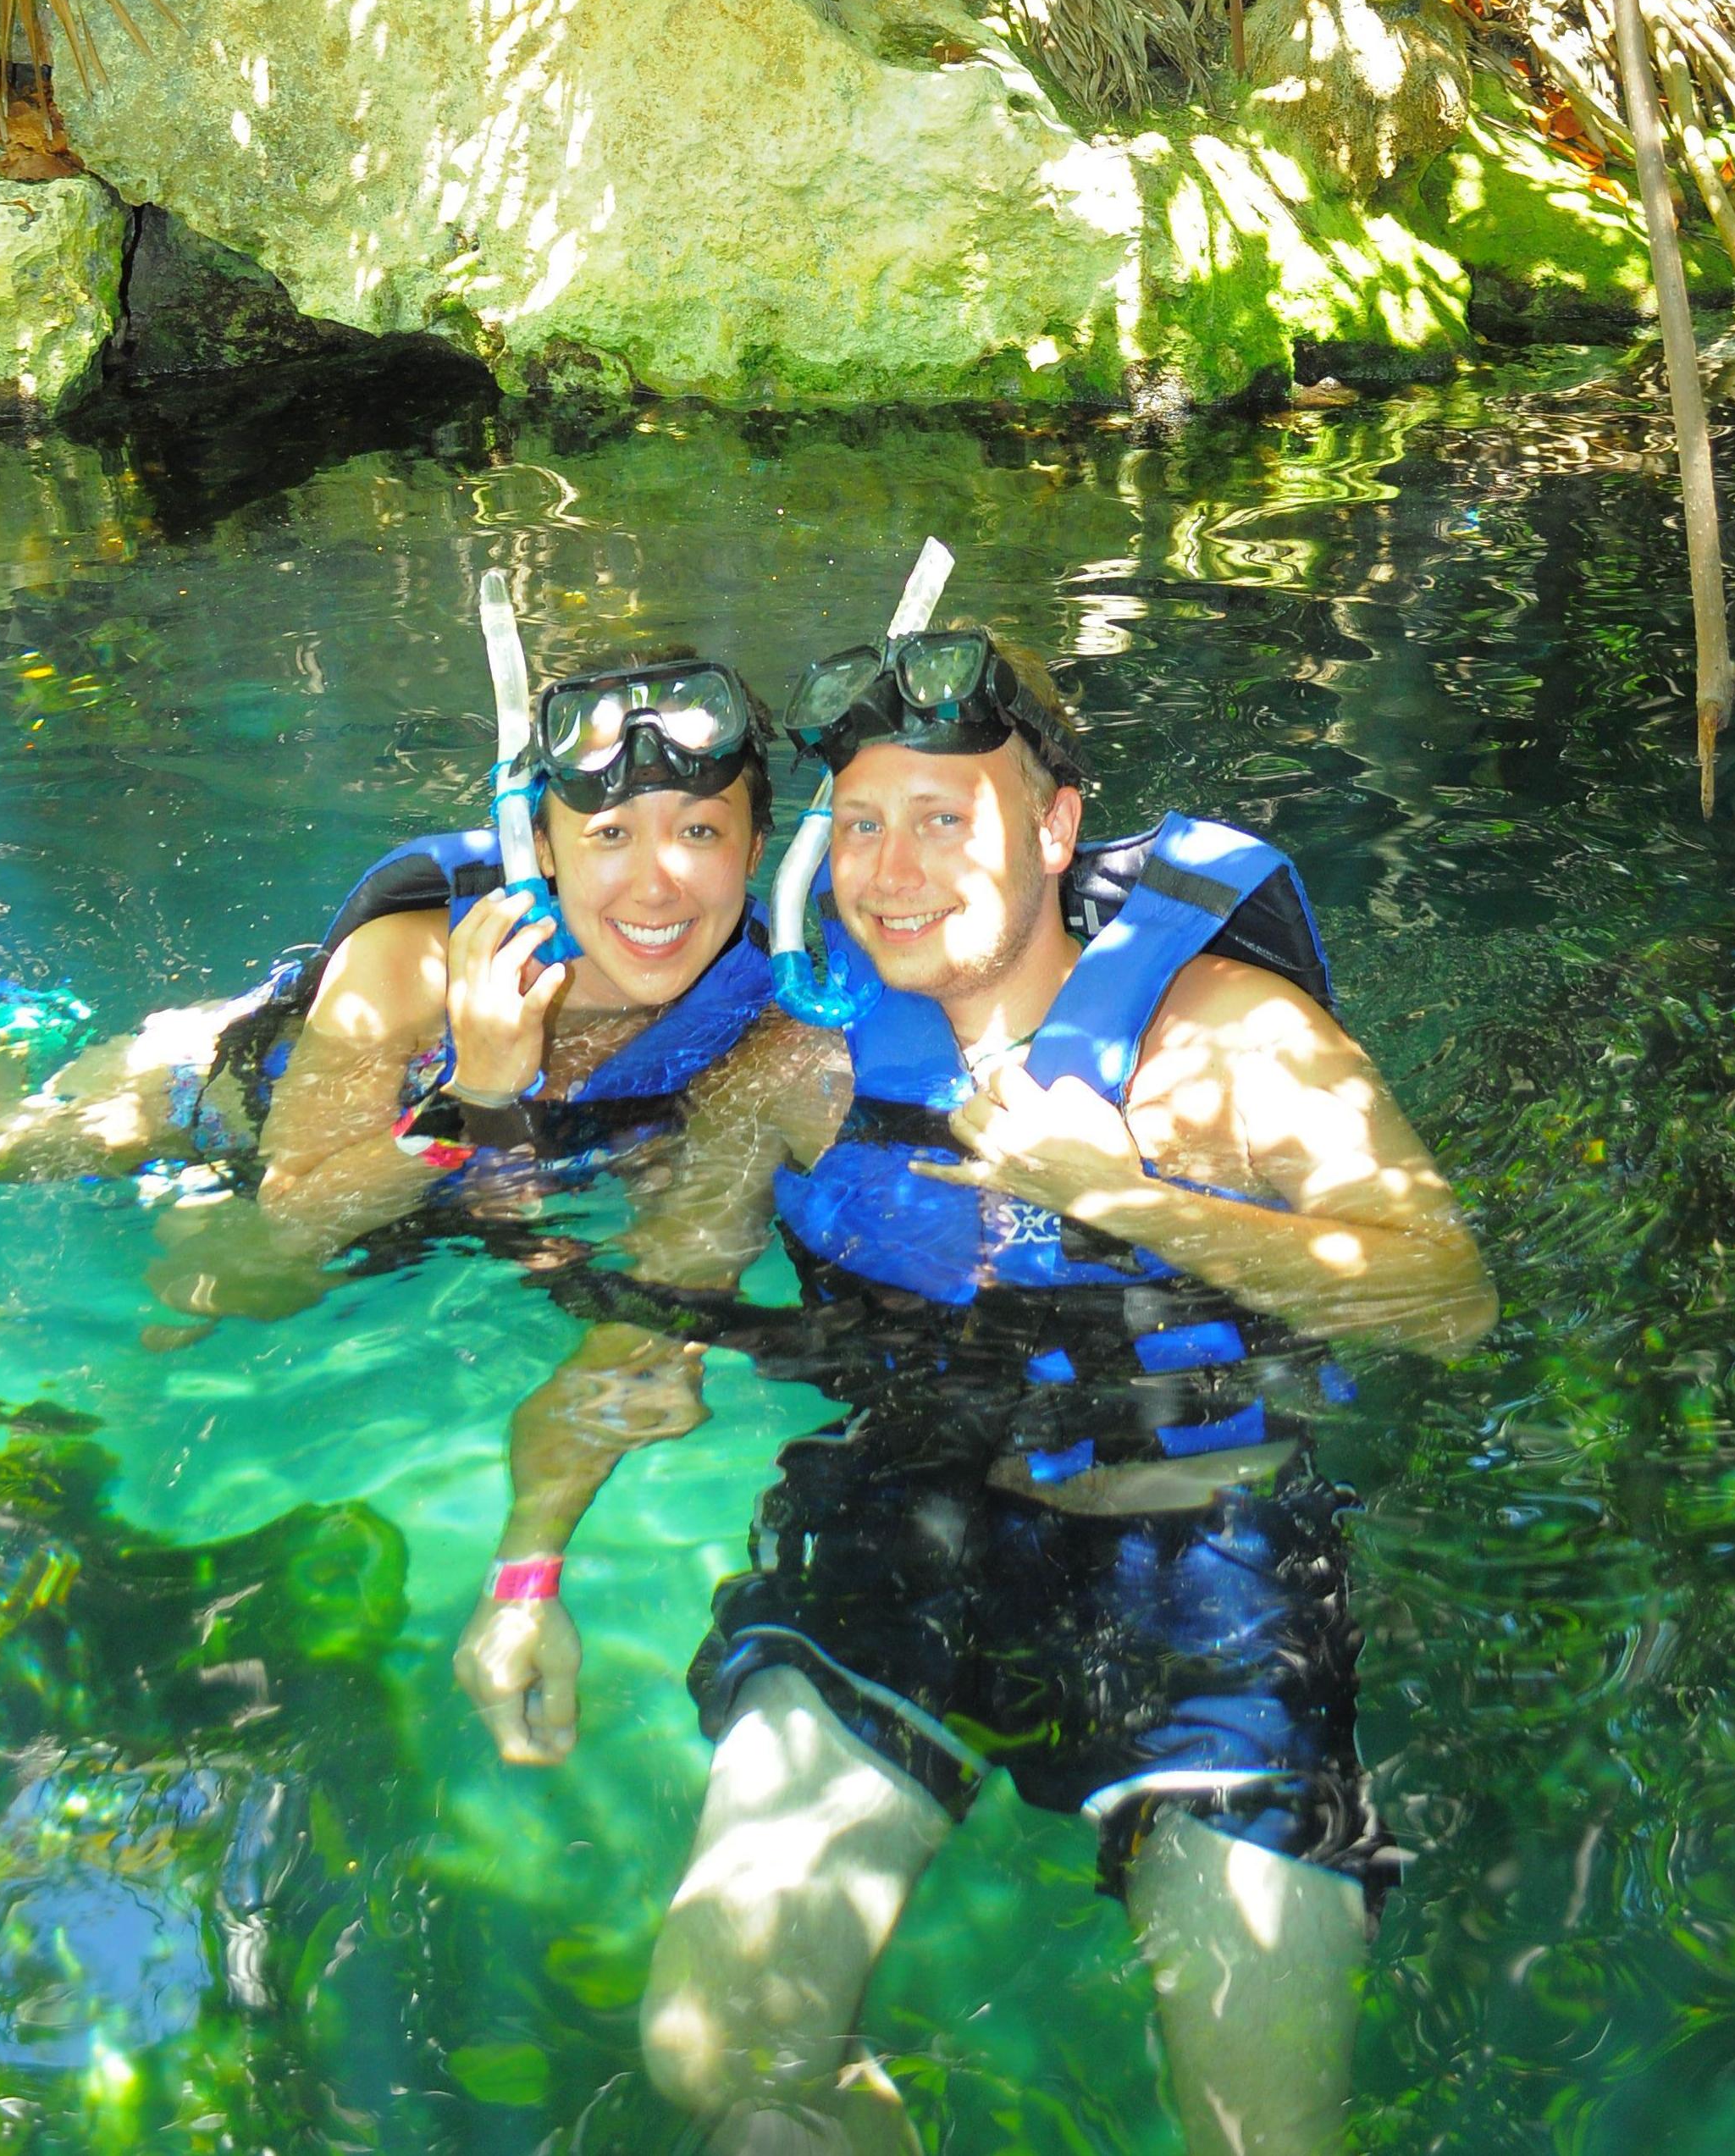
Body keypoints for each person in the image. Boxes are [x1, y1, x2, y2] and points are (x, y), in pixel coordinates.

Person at [452, 627, 1497, 2154]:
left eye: (950, 816)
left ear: (1055, 823)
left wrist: (1122, 1192)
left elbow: (1447, 1298)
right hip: (906, 1524)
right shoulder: (790, 1078)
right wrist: (526, 1568)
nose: (893, 868)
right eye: (863, 822)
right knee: (715, 2052)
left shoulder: (1226, 1041)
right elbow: (637, 1338)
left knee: (1258, 2127)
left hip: (1198, 1548)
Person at [0, 649, 781, 1315]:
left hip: (402, 1173)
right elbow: (297, 1210)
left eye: (699, 831)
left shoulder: (764, 996)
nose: (658, 882)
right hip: (205, 1102)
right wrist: (477, 1097)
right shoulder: (406, 966)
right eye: (610, 835)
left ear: (756, 849)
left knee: (226, 1306)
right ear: (538, 849)